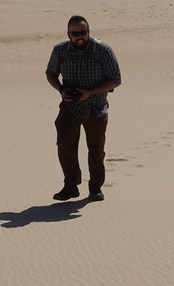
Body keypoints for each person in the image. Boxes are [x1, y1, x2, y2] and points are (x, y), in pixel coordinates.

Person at [44, 15, 122, 201]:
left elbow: (115, 80)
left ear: (89, 31)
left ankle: (95, 188)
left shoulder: (103, 50)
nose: (79, 37)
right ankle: (71, 186)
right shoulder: (60, 50)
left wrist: (90, 92)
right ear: (68, 34)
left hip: (96, 107)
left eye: (83, 32)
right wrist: (62, 90)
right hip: (70, 106)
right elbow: (50, 74)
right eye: (75, 33)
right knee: (64, 145)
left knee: (96, 149)